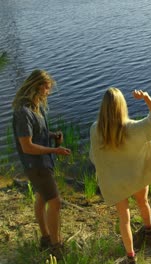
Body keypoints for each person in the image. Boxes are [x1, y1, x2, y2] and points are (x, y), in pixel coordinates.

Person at [89, 88, 151, 264]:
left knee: (124, 219)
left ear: (103, 108)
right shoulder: (133, 128)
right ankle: (149, 231)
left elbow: (95, 157)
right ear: (122, 106)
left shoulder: (95, 129)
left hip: (116, 182)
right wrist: (147, 98)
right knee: (143, 202)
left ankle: (131, 257)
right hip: (137, 177)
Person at [12, 69, 71, 258]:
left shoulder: (36, 106)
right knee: (55, 202)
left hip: (42, 163)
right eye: (47, 88)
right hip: (35, 165)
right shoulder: (24, 112)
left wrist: (52, 136)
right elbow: (27, 146)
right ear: (37, 86)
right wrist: (54, 150)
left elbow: (36, 135)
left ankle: (45, 238)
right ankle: (56, 245)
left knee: (41, 198)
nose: (48, 92)